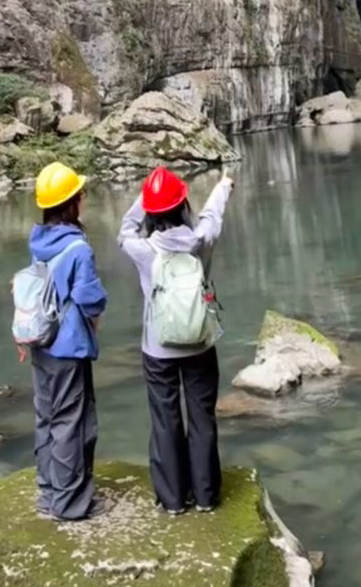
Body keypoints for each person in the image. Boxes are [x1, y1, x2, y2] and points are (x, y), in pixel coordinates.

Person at [118, 166, 234, 515]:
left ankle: (172, 500)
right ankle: (205, 496)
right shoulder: (201, 240)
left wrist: (146, 196)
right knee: (202, 417)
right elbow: (214, 213)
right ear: (184, 205)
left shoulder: (143, 250)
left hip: (157, 349)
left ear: (152, 215)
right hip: (199, 341)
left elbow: (124, 229)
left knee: (165, 419)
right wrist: (224, 184)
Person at [29, 161, 107, 521]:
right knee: (72, 422)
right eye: (81, 195)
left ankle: (49, 492)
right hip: (67, 346)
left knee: (46, 416)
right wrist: (96, 315)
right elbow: (91, 298)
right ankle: (71, 504)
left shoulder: (39, 242)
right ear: (72, 202)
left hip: (40, 343)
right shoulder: (77, 248)